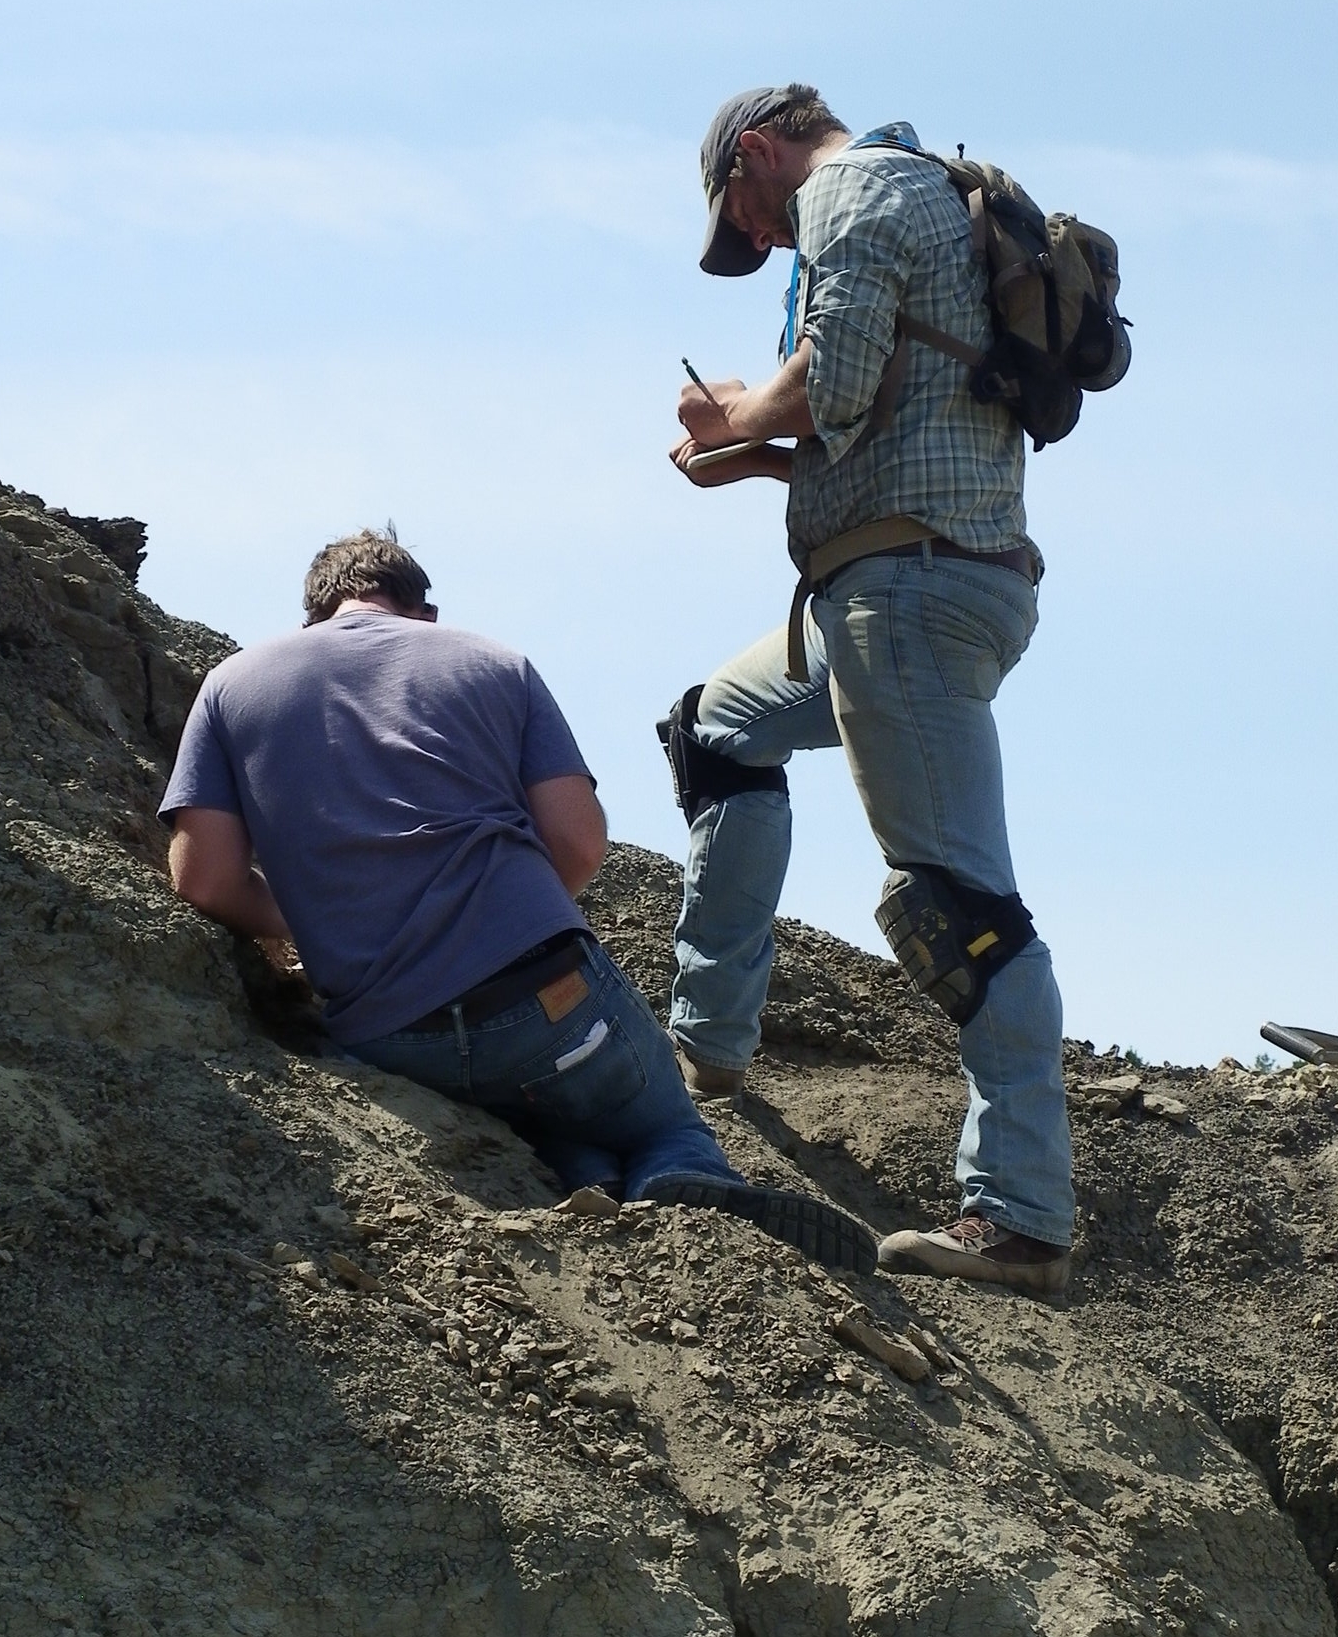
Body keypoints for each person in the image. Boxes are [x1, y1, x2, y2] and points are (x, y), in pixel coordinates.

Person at [160, 527, 874, 1275]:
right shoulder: (491, 660)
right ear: (422, 612)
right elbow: (578, 841)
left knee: (522, 1107)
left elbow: (203, 878)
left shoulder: (230, 686)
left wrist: (307, 920)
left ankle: (588, 1174)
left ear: (313, 617)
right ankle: (676, 1171)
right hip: (546, 1001)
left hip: (388, 1036)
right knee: (660, 1114)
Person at [663, 84, 1074, 1296]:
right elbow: (875, 411)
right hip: (921, 577)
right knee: (718, 727)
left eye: (750, 221)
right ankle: (709, 1042)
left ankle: (1023, 1216)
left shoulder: (847, 190)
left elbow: (831, 383)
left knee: (957, 900)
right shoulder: (940, 192)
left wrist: (730, 413)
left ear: (757, 155)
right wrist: (739, 455)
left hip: (904, 590)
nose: (765, 242)